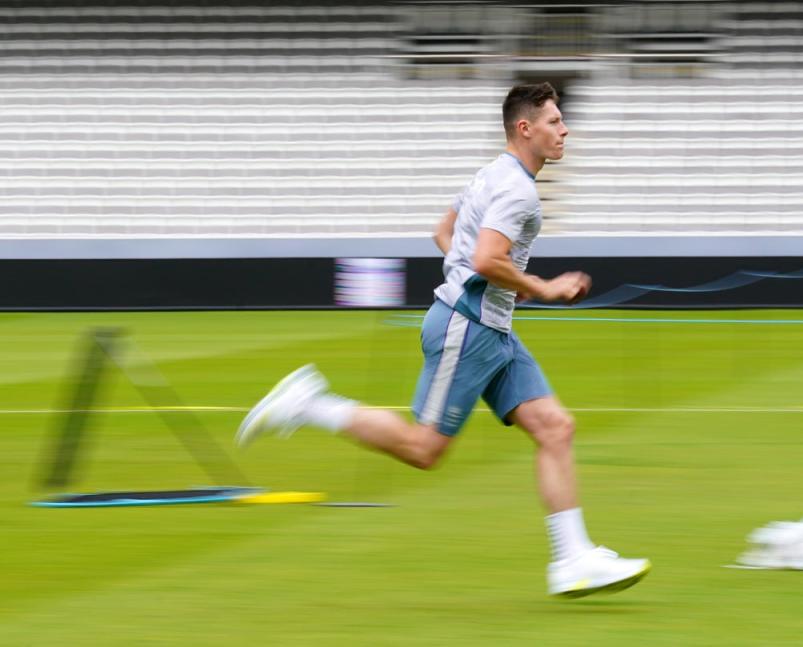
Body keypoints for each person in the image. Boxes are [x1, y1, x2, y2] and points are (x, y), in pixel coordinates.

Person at [236, 82, 650, 598]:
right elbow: (484, 259)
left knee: (554, 427)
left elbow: (444, 231)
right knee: (423, 449)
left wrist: (491, 284)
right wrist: (538, 287)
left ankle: (573, 559)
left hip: (490, 327)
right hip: (468, 329)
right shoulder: (518, 191)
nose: (565, 130)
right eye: (553, 121)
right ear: (526, 128)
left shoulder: (490, 175)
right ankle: (310, 404)